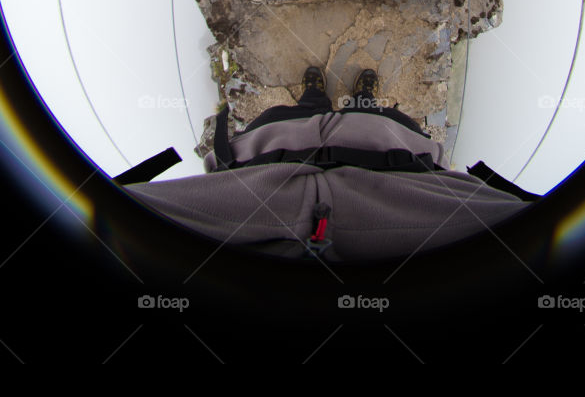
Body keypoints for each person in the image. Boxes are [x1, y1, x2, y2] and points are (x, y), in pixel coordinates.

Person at [122, 66, 537, 262]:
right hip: (394, 159)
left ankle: (316, 97)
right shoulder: (517, 238)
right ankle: (363, 101)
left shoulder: (131, 233)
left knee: (301, 112)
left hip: (266, 157)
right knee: (374, 117)